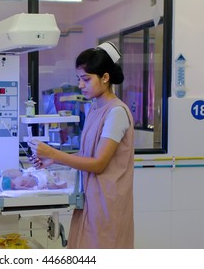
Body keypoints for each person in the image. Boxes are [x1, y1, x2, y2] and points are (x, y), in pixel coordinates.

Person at [27, 41, 134, 249]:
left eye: (86, 79)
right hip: (89, 201)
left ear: (105, 78)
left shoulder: (116, 113)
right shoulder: (94, 108)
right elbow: (88, 153)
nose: (80, 85)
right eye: (79, 79)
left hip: (107, 205)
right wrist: (51, 160)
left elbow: (99, 163)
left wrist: (54, 153)